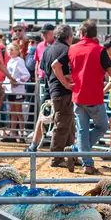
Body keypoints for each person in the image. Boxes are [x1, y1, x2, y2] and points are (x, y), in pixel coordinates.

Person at [52, 19, 111, 175]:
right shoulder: (99, 50)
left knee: (82, 130)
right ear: (94, 34)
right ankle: (83, 158)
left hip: (77, 96)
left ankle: (80, 155)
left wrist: (64, 83)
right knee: (102, 126)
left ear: (82, 34)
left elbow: (55, 66)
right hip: (95, 97)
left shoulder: (73, 49)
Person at [40, 24, 76, 168]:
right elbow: (67, 74)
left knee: (68, 124)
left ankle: (69, 156)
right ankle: (56, 157)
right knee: (62, 124)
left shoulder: (48, 49)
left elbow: (43, 70)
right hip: (64, 91)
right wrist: (69, 83)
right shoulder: (67, 50)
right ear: (68, 37)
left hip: (53, 90)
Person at [1, 42, 30, 144]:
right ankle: (13, 133)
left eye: (12, 50)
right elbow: (8, 75)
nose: (10, 52)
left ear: (17, 51)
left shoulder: (19, 61)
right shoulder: (10, 62)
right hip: (10, 90)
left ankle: (22, 133)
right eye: (9, 50)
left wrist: (17, 81)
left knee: (18, 111)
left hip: (17, 90)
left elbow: (26, 74)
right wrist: (5, 83)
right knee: (12, 112)